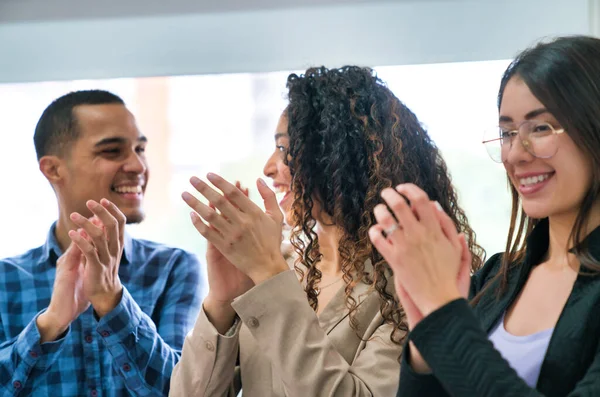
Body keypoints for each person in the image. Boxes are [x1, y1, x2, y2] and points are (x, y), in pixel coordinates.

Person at [170, 66, 483, 396]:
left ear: (341, 158)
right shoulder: (283, 268)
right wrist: (221, 301)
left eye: (286, 148)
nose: (269, 167)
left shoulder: (408, 287)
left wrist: (267, 273)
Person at [369, 35, 600, 396]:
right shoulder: (495, 277)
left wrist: (443, 313)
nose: (515, 154)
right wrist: (426, 336)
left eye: (540, 127)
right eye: (507, 132)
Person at [0, 90, 203, 396]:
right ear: (53, 169)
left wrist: (113, 301)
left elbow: (183, 390)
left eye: (140, 149)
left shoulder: (174, 268)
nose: (138, 166)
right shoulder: (6, 280)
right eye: (112, 151)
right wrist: (50, 324)